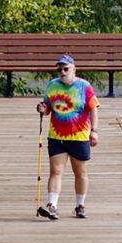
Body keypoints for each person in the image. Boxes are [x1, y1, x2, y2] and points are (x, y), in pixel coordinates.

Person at [35, 54, 99, 219]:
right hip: (57, 136)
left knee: (80, 173)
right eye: (59, 70)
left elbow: (93, 109)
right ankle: (52, 206)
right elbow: (48, 109)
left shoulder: (84, 86)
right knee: (56, 171)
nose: (62, 72)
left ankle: (80, 205)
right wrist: (43, 109)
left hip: (79, 136)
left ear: (73, 69)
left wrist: (94, 131)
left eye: (66, 69)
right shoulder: (52, 85)